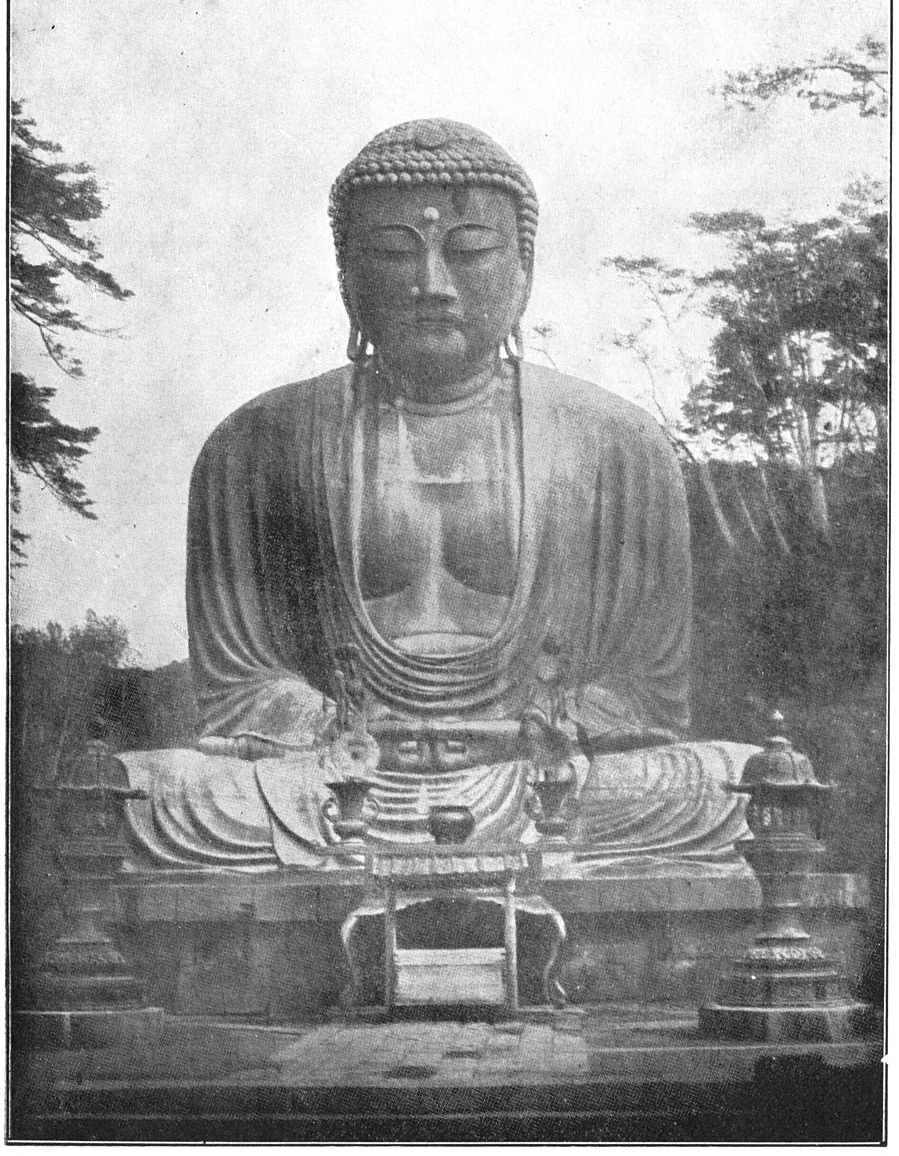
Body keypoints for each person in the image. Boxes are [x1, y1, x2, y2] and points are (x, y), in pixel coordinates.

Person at [121, 119, 754, 870]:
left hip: (541, 775)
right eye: (393, 252)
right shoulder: (257, 442)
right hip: (334, 780)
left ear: (522, 271)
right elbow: (239, 686)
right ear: (346, 275)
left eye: (470, 250)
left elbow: (647, 694)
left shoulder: (616, 442)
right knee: (155, 791)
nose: (432, 284)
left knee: (733, 782)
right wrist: (341, 727)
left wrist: (533, 729)